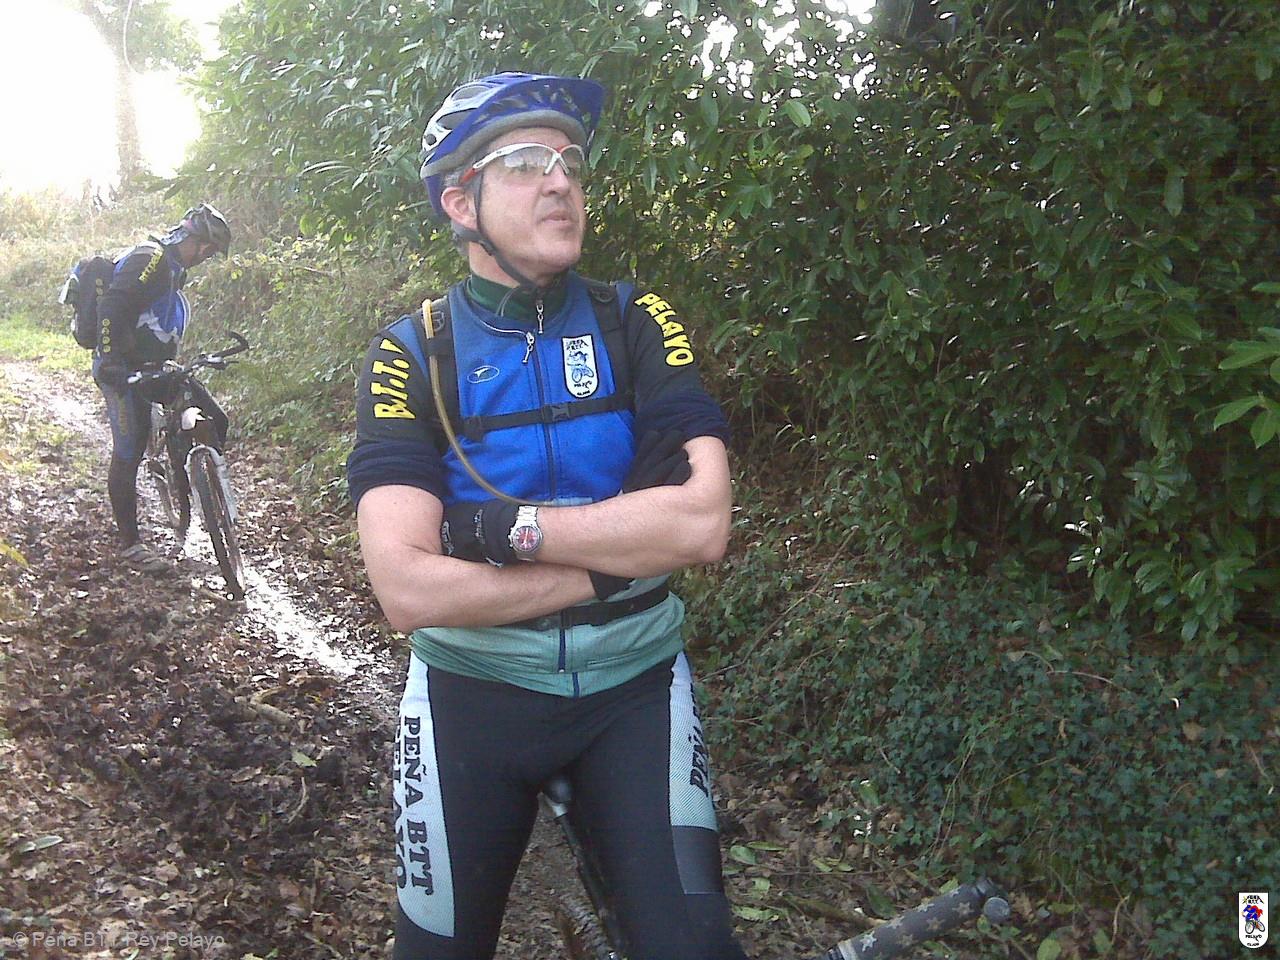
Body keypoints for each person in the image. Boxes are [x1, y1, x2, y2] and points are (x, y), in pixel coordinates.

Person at [346, 73, 746, 960]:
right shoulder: (414, 352)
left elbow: (702, 524)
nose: (561, 181)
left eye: (570, 162)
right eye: (526, 162)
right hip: (469, 698)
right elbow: (407, 588)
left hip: (637, 691)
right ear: (461, 202)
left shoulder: (635, 319)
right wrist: (614, 557)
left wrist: (500, 534)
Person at [93, 202, 232, 570]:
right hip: (122, 370)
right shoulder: (151, 259)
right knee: (130, 450)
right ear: (195, 242)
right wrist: (111, 360)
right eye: (208, 250)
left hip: (154, 366)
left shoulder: (173, 268)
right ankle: (130, 544)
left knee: (216, 418)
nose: (206, 257)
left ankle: (198, 488)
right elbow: (112, 306)